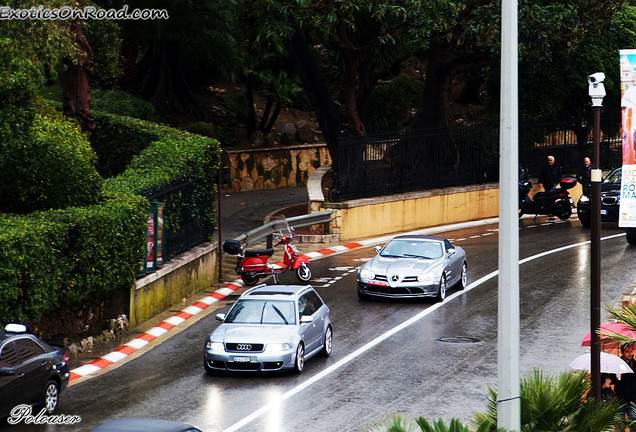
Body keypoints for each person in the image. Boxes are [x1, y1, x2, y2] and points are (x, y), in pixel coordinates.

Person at [612, 344, 636, 424]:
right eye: (627, 352)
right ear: (622, 352)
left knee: (633, 423)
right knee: (620, 424)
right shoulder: (616, 365)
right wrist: (616, 377)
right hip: (621, 399)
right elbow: (611, 380)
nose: (629, 354)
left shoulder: (634, 365)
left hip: (633, 399)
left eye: (630, 351)